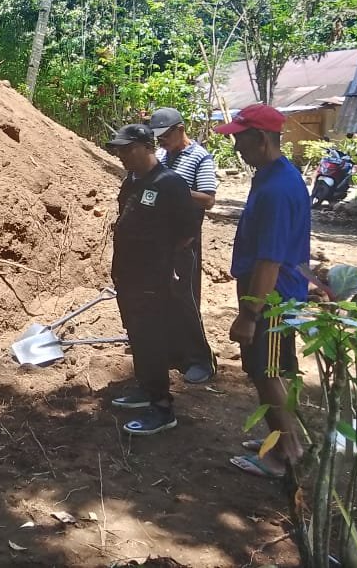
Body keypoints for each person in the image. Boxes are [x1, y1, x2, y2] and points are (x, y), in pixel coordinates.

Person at [214, 104, 310, 479]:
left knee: (268, 372)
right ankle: (279, 438)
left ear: (262, 138)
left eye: (241, 137)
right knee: (267, 370)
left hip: (270, 300)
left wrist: (249, 316)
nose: (236, 145)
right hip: (269, 293)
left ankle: (285, 452)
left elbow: (269, 260)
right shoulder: (272, 175)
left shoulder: (277, 189)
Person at [107, 123, 199, 435]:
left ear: (148, 147)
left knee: (154, 339)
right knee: (137, 336)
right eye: (118, 150)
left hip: (154, 279)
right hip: (128, 276)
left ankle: (162, 407)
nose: (121, 155)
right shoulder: (131, 181)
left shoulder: (170, 183)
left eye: (127, 149)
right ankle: (146, 389)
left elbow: (188, 230)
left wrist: (161, 259)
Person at [147, 107, 218, 384]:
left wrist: (176, 190)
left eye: (165, 136)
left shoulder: (200, 157)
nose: (161, 142)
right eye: (158, 138)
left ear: (180, 130)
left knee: (186, 298)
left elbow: (209, 199)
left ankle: (201, 359)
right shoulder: (164, 156)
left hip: (186, 239)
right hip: (162, 239)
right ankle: (174, 352)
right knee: (164, 296)